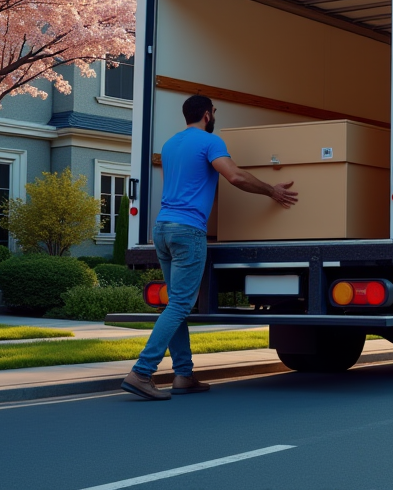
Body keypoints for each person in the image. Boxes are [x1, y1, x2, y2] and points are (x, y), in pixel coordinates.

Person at [121, 94, 299, 401]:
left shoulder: (171, 144)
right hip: (188, 231)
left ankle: (184, 375)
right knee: (179, 305)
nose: (214, 116)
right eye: (214, 112)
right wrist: (271, 190)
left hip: (162, 228)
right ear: (207, 114)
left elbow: (190, 183)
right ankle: (141, 371)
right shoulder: (209, 141)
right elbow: (234, 175)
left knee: (174, 304)